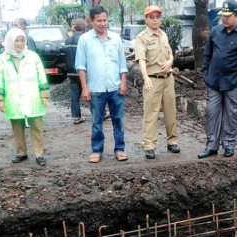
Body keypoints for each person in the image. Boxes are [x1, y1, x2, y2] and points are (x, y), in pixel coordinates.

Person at [198, 0, 237, 159]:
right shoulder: (215, 32)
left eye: (227, 16)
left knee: (232, 114)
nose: (224, 19)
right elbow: (207, 55)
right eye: (222, 16)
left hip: (235, 82)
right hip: (214, 81)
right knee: (212, 112)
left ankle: (229, 145)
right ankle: (211, 146)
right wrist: (206, 72)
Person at [75, 6, 128, 163]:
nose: (103, 23)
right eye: (99, 21)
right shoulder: (85, 40)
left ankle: (120, 149)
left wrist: (123, 83)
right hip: (96, 89)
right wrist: (85, 88)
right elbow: (81, 67)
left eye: (105, 20)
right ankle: (97, 150)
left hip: (115, 88)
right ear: (92, 21)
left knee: (118, 120)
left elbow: (122, 65)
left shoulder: (115, 39)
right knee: (97, 122)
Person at [0, 28, 49, 166]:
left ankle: (39, 154)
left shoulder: (33, 57)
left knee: (36, 126)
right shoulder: (2, 59)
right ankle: (21, 153)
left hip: (33, 98)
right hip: (13, 100)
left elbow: (41, 77)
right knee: (17, 127)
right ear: (10, 42)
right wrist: (0, 99)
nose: (19, 43)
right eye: (16, 40)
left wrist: (44, 95)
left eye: (22, 40)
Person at [135, 5, 180, 160]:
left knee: (170, 112)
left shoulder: (164, 35)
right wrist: (146, 78)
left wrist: (170, 62)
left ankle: (172, 141)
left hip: (168, 79)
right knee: (151, 114)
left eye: (157, 17)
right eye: (151, 17)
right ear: (146, 19)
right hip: (152, 80)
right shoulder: (142, 37)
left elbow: (170, 54)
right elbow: (141, 59)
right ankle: (149, 145)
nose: (155, 20)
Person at [64, 18, 87, 125]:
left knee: (74, 96)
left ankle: (76, 117)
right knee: (90, 92)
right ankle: (102, 113)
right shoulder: (84, 40)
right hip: (82, 72)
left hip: (71, 73)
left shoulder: (67, 41)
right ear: (83, 28)